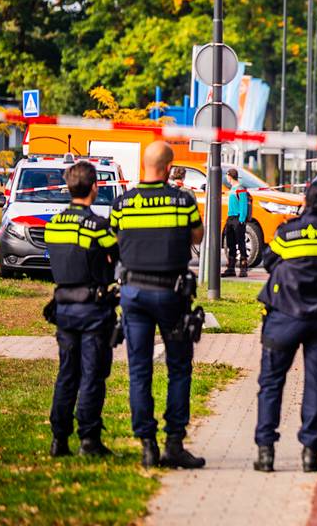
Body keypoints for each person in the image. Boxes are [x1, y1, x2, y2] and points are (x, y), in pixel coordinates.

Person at [110, 141, 206, 469]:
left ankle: (147, 446)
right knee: (178, 367)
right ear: (168, 169)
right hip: (171, 294)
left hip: (134, 294)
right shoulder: (183, 200)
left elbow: (115, 240)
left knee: (139, 370)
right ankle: (174, 444)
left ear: (145, 166)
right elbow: (197, 236)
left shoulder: (122, 203)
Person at [252, 181, 317, 473]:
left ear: (305, 201)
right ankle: (310, 451)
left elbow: (269, 261)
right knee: (316, 383)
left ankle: (266, 451)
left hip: (284, 316)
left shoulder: (287, 232)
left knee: (271, 383)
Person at [43, 161, 120, 458]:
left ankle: (58, 439)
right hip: (93, 309)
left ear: (68, 187)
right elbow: (116, 255)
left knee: (66, 373)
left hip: (63, 307)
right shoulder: (98, 226)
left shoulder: (54, 224)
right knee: (92, 374)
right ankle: (89, 440)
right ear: (95, 187)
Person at [222, 168, 251, 278]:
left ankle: (243, 268)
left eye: (227, 176)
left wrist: (241, 220)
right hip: (230, 218)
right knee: (231, 243)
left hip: (238, 218)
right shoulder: (232, 188)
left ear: (230, 176)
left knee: (241, 243)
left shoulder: (240, 189)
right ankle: (231, 268)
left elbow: (243, 205)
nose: (226, 178)